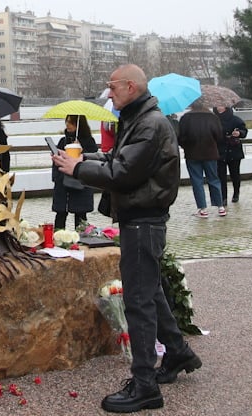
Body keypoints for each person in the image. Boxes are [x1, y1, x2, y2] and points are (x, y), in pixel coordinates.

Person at [52, 64, 200, 413]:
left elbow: (122, 172)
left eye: (112, 86)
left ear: (131, 87)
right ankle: (178, 353)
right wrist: (83, 157)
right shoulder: (139, 118)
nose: (108, 92)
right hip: (140, 219)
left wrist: (78, 169)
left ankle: (145, 385)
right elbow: (118, 158)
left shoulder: (149, 124)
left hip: (143, 221)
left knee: (138, 300)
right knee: (151, 291)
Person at [178, 100, 225, 217]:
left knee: (197, 181)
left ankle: (203, 209)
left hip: (192, 154)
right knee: (214, 179)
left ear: (192, 105)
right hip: (210, 153)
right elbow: (219, 135)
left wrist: (187, 147)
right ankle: (220, 207)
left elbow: (181, 136)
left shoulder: (186, 118)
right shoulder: (213, 117)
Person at [52, 116, 97, 230]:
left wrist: (81, 151)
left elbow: (93, 160)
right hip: (63, 184)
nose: (67, 124)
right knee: (61, 214)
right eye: (67, 121)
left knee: (80, 215)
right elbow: (56, 162)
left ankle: (82, 239)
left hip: (80, 183)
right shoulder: (63, 141)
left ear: (78, 125)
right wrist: (57, 177)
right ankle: (59, 239)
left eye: (71, 122)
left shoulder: (89, 141)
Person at [215, 104, 248, 206]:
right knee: (221, 176)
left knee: (235, 174)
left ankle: (236, 193)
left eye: (221, 106)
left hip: (234, 150)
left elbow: (244, 131)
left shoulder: (235, 119)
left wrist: (239, 133)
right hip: (219, 151)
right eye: (217, 106)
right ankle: (223, 197)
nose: (219, 107)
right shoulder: (213, 120)